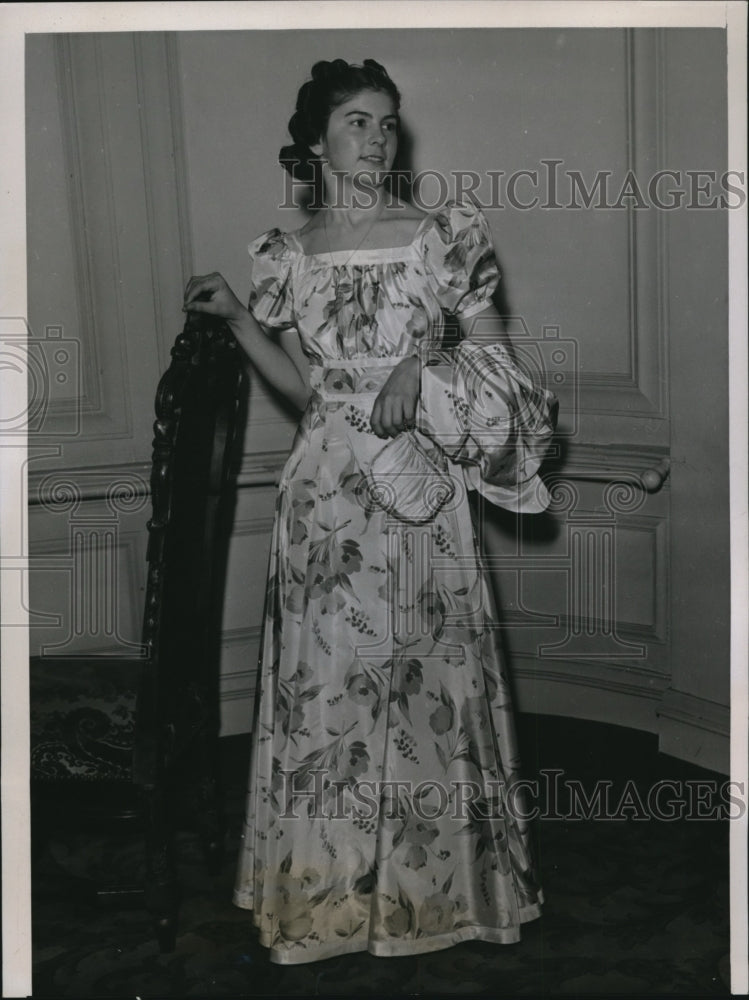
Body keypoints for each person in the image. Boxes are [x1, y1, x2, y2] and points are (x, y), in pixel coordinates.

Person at [183, 58, 555, 965]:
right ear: (315, 142)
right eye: (357, 121)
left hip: (417, 489)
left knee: (425, 680)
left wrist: (422, 368)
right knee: (328, 689)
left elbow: (505, 373)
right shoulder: (289, 254)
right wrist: (238, 319)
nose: (377, 138)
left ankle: (433, 899)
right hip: (322, 497)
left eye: (387, 122)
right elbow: (307, 392)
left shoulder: (439, 237)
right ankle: (329, 903)